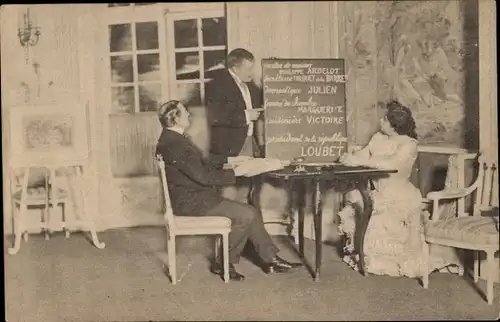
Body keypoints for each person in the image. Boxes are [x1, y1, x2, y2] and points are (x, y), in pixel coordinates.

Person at [155, 100, 301, 281]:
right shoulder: (175, 145)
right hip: (191, 202)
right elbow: (203, 177)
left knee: (247, 213)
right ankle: (231, 262)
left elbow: (203, 160)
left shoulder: (171, 139)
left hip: (192, 197)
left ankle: (263, 260)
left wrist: (234, 159)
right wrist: (238, 171)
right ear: (175, 118)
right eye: (185, 112)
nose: (189, 115)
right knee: (248, 214)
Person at [337, 101, 452, 277]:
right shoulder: (378, 138)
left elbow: (391, 165)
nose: (380, 121)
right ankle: (371, 260)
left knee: (391, 223)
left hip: (399, 194)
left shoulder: (408, 144)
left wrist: (359, 161)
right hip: (377, 191)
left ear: (393, 125)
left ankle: (393, 262)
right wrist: (349, 158)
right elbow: (362, 155)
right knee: (359, 205)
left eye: (384, 119)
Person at [205, 48, 264, 204]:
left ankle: (248, 223)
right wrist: (246, 116)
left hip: (250, 143)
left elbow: (262, 102)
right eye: (249, 68)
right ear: (236, 68)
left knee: (250, 189)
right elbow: (215, 116)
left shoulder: (250, 86)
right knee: (229, 193)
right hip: (229, 146)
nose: (252, 72)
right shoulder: (217, 85)